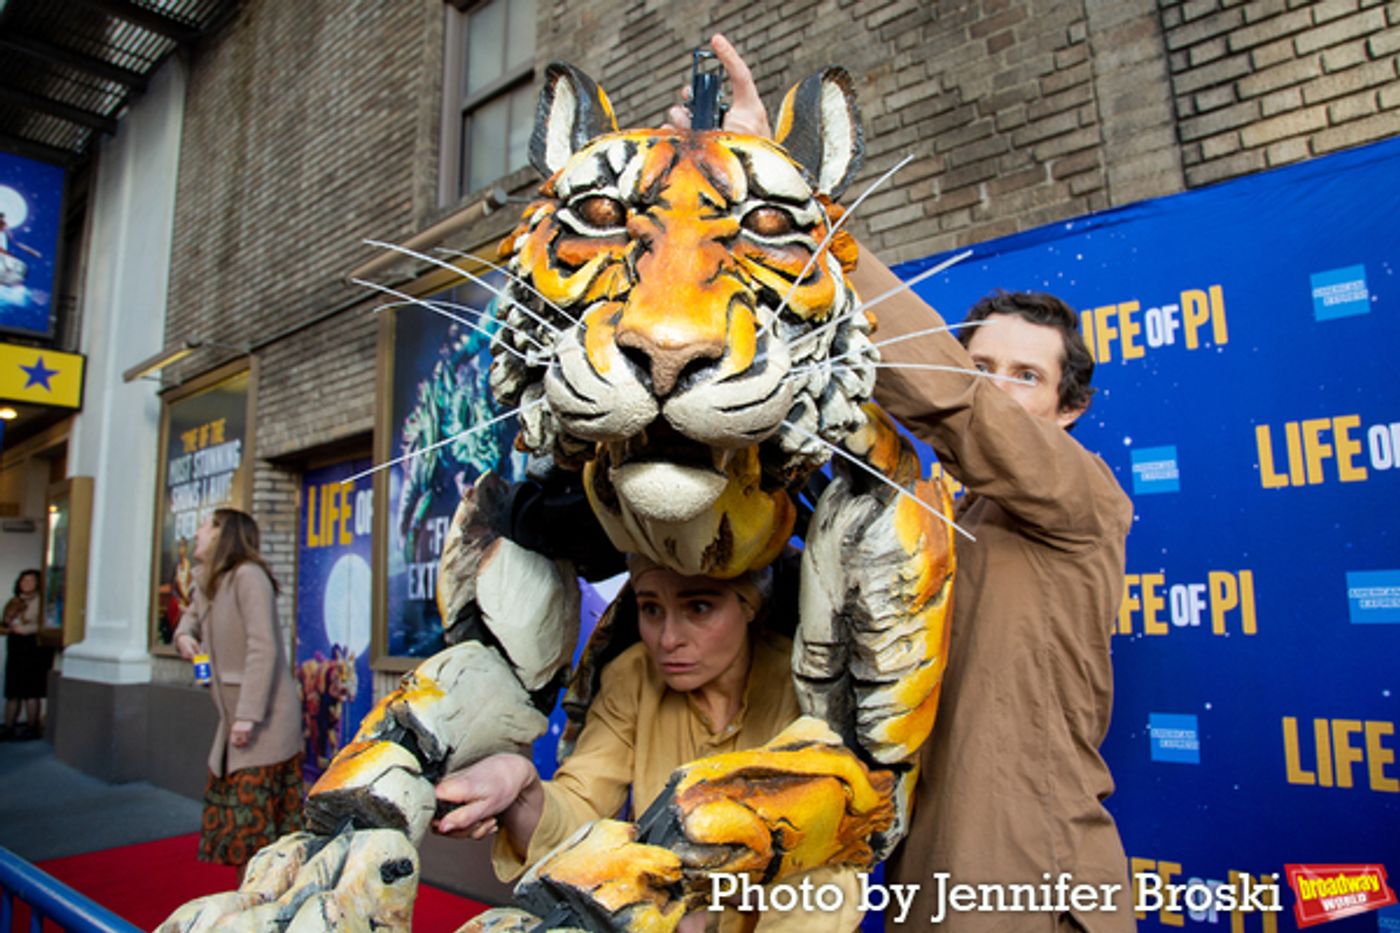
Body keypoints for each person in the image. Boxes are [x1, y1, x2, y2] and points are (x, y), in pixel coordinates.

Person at [672, 37, 1135, 932]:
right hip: (922, 881)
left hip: (1034, 887)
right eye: (983, 362)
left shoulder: (1086, 503)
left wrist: (797, 206)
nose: (997, 386)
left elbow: (959, 407)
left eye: (1024, 377)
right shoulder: (929, 513)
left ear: (1070, 409)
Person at [434, 556, 863, 932]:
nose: (667, 638)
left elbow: (822, 861)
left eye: (699, 607)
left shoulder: (804, 686)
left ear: (749, 605)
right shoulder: (633, 678)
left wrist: (697, 895)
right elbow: (583, 805)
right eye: (651, 609)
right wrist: (523, 790)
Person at [175, 508, 304, 874]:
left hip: (264, 720)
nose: (197, 533)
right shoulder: (209, 579)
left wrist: (248, 715)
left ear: (221, 534)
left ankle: (268, 908)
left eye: (204, 526)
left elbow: (263, 647)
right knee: (241, 827)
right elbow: (191, 616)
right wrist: (184, 635)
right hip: (234, 720)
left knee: (258, 827)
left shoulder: (249, 577)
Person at [2, 569, 51, 741]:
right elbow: (4, 622)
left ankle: (32, 727)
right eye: (23, 580)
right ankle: (8, 727)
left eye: (31, 580)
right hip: (16, 647)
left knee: (32, 690)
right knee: (13, 690)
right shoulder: (14, 601)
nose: (26, 583)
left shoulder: (43, 602)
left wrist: (27, 629)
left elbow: (48, 624)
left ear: (38, 582)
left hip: (34, 647)